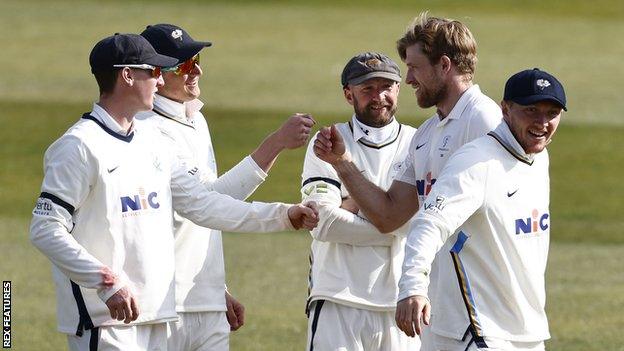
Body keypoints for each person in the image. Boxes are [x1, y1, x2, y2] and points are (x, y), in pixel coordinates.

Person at [29, 33, 318, 351]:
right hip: (106, 319)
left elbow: (203, 204)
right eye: (153, 72)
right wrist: (107, 283)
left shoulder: (152, 143)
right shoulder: (79, 146)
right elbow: (45, 228)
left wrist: (283, 215)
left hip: (156, 316)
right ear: (127, 75)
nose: (159, 81)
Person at [313, 12, 501, 346]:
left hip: (481, 309)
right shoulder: (427, 134)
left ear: (444, 65)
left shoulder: (483, 119)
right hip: (440, 309)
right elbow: (389, 215)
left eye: (414, 67)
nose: (409, 78)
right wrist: (342, 163)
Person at [135, 23, 316, 351]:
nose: (197, 71)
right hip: (163, 306)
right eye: (186, 65)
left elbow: (212, 200)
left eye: (198, 59)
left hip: (206, 302)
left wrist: (216, 286)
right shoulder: (148, 131)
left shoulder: (194, 118)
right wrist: (275, 147)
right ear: (157, 74)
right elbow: (205, 204)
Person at [395, 68, 566, 350]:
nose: (542, 122)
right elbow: (429, 223)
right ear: (506, 109)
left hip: (527, 331)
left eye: (552, 113)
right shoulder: (477, 162)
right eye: (532, 110)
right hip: (477, 330)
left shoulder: (539, 156)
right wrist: (412, 286)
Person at [302, 52, 420, 351]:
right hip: (336, 297)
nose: (379, 96)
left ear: (398, 89)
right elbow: (324, 224)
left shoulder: (419, 143)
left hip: (400, 301)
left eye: (386, 86)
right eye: (367, 88)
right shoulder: (328, 141)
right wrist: (392, 216)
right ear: (348, 94)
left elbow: (424, 223)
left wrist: (352, 202)